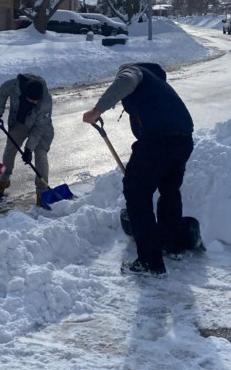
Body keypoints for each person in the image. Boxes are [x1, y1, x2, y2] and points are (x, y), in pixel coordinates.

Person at [82, 62, 195, 275]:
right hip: (183, 141)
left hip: (158, 142)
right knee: (169, 191)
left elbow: (126, 81)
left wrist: (97, 110)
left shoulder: (133, 71)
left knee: (137, 194)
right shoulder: (160, 89)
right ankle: (171, 245)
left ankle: (150, 262)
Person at [0, 74, 54, 206]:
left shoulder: (46, 101)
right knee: (10, 150)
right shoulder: (14, 85)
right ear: (25, 94)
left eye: (37, 100)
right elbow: (2, 92)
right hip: (20, 122)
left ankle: (42, 192)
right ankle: (4, 180)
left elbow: (40, 128)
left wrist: (29, 149)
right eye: (32, 100)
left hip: (40, 126)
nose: (35, 103)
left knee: (41, 155)